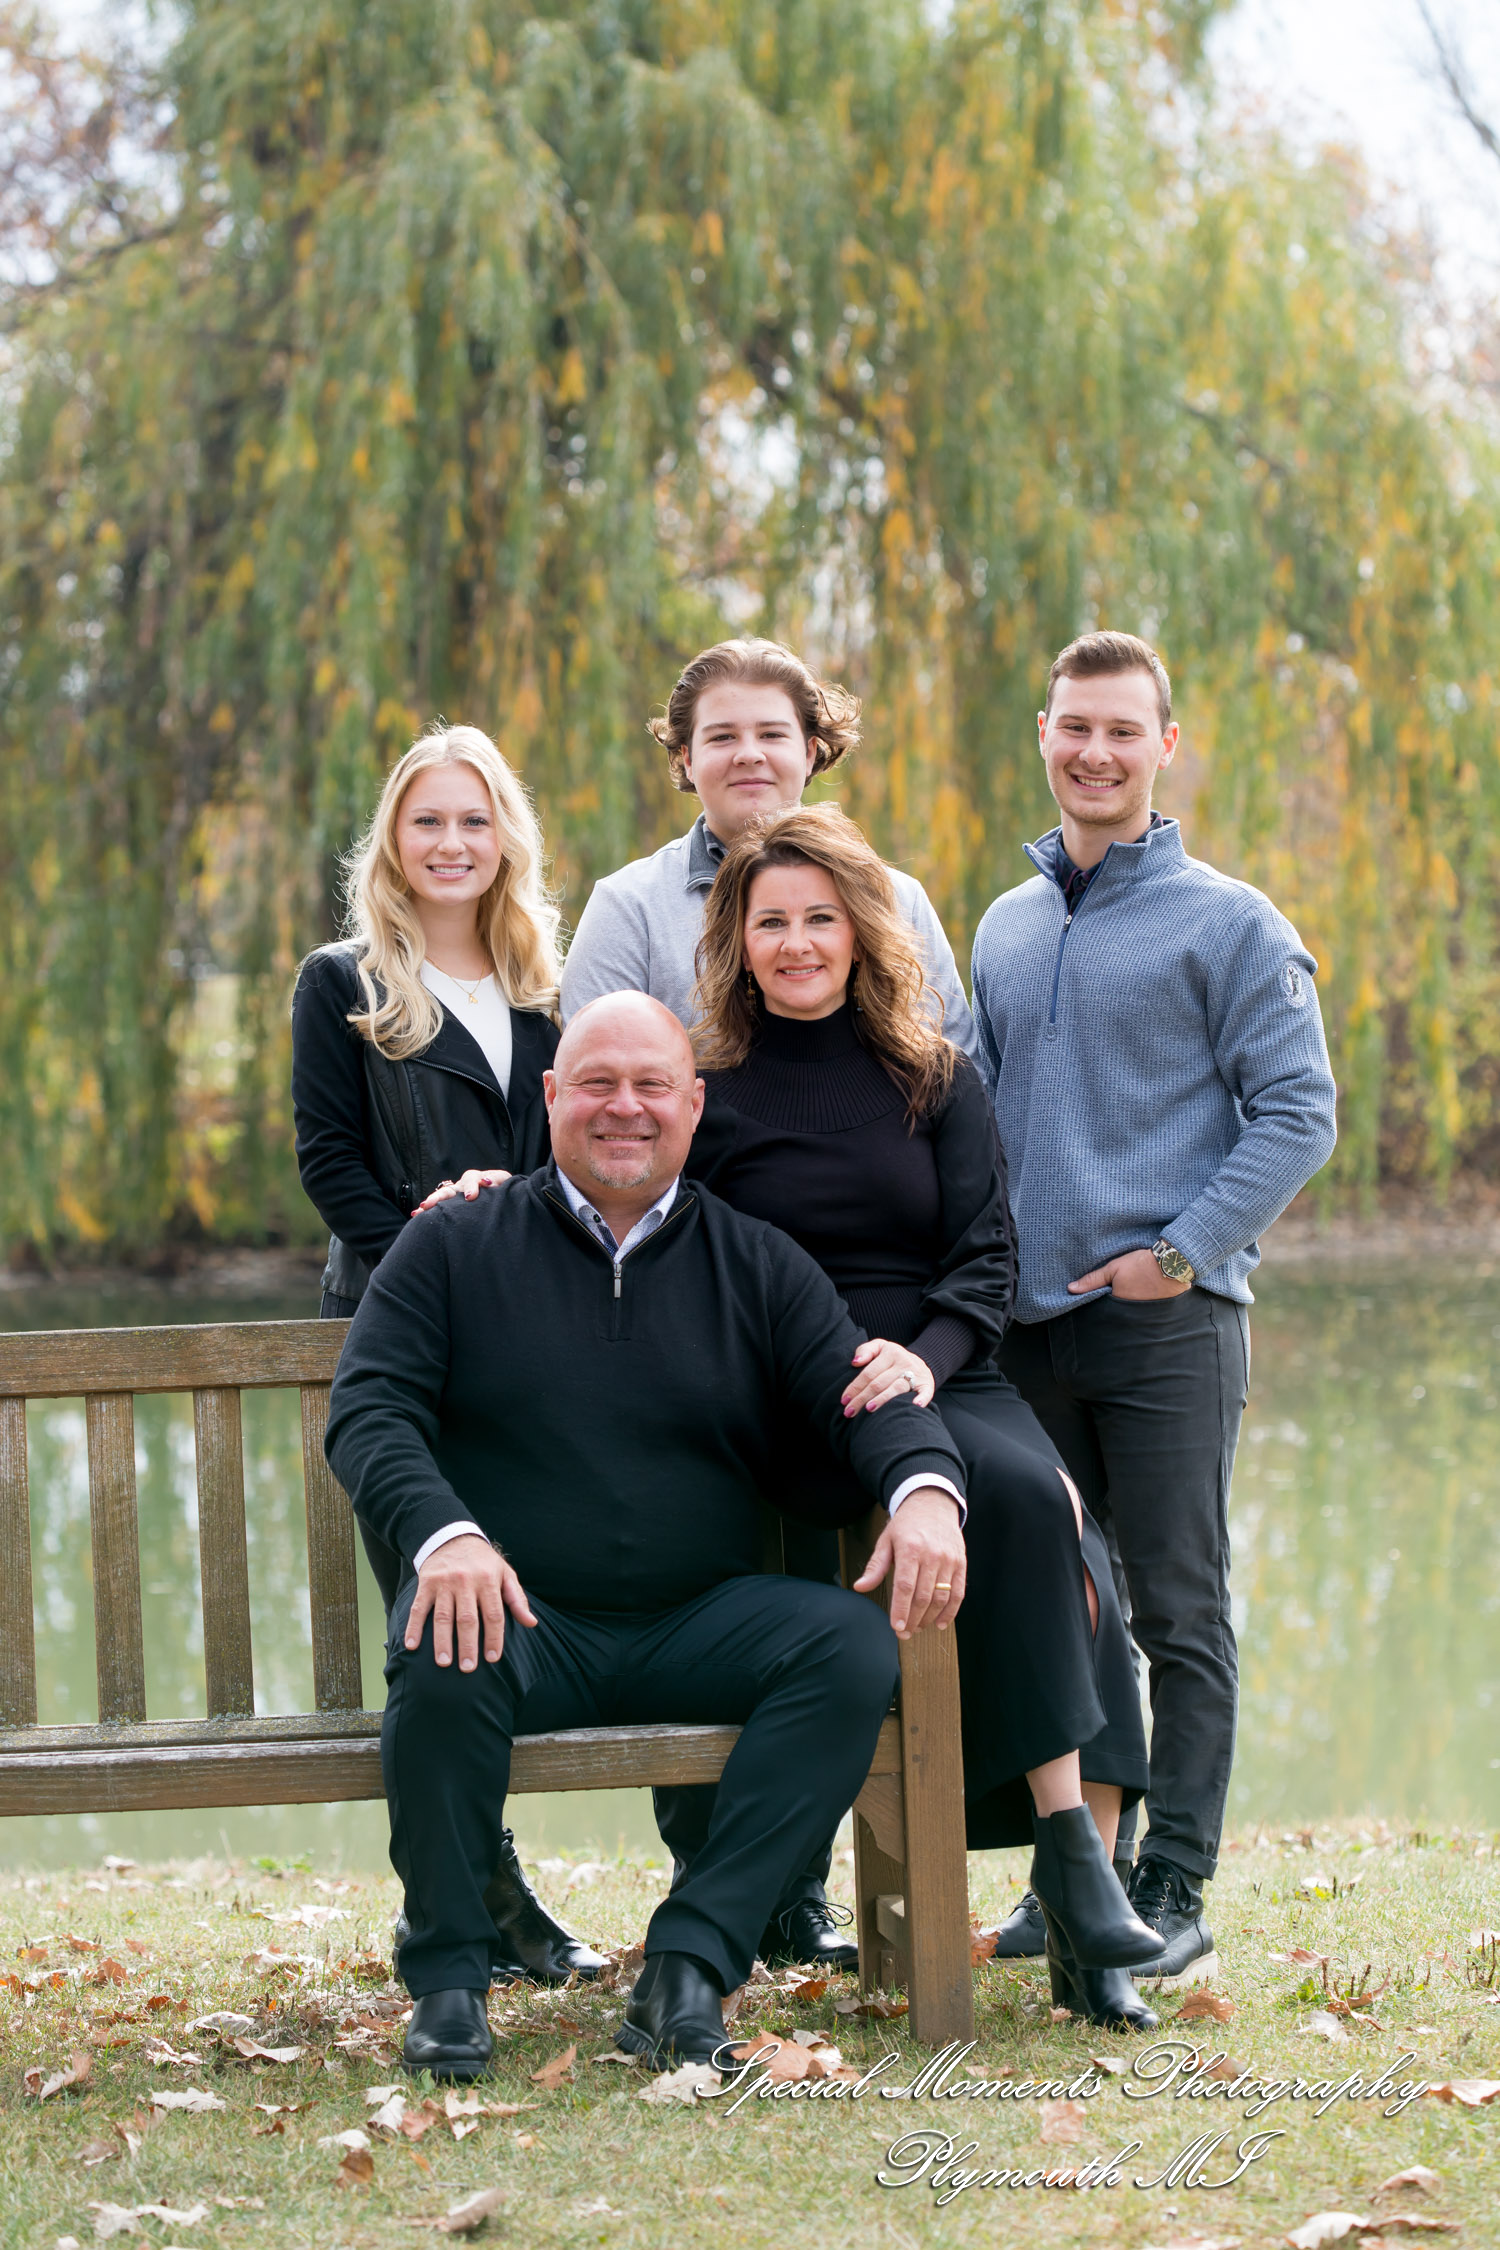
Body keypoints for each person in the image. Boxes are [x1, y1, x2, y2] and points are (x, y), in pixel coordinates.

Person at [429, 808, 1167, 2029]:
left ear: (860, 929)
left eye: (820, 917)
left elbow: (985, 1260)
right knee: (1008, 1507)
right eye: (771, 920)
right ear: (738, 936)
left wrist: (922, 1361)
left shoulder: (936, 1077)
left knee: (1041, 1506)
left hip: (932, 1366)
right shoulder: (707, 1086)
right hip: (786, 1385)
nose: (797, 941)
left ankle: (1074, 1866)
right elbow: (615, 1182)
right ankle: (1068, 1883)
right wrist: (490, 1187)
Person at [323, 991, 975, 2080]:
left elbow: (866, 1397)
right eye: (597, 1083)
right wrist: (446, 1536)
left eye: (651, 1086)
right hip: (523, 1620)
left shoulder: (756, 1261)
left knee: (849, 1646)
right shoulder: (455, 1243)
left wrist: (924, 1491)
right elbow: (369, 1409)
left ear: (693, 1105)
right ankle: (448, 1979)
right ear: (550, 1097)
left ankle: (690, 1965)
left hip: (696, 1624)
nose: (624, 1107)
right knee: (441, 1644)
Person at [969, 631, 1338, 1989]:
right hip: (1024, 1330)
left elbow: (1299, 1114)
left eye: (1124, 729)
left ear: (1164, 746)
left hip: (1166, 1325)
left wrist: (1177, 1255)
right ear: (1046, 733)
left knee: (1178, 1607)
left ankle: (1174, 1879)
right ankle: (1074, 1875)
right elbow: (976, 1115)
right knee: (1064, 1606)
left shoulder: (1229, 922)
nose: (1097, 751)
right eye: (1076, 725)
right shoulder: (1006, 925)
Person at [291, 722, 600, 1988]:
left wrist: (519, 1227)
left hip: (528, 1342)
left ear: (506, 837)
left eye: (475, 819)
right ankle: (480, 1899)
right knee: (438, 1619)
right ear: (394, 840)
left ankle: (486, 1891)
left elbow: (577, 1157)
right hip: (395, 1341)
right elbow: (328, 1160)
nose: (452, 842)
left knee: (501, 1618)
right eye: (429, 820)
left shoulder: (547, 986)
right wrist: (428, 1242)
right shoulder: (345, 983)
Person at [559, 636, 977, 1053]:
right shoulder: (629, 908)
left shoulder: (897, 900)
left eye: (772, 734)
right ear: (687, 759)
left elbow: (955, 1067)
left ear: (809, 753)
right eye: (722, 737)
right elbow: (588, 1073)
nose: (749, 754)